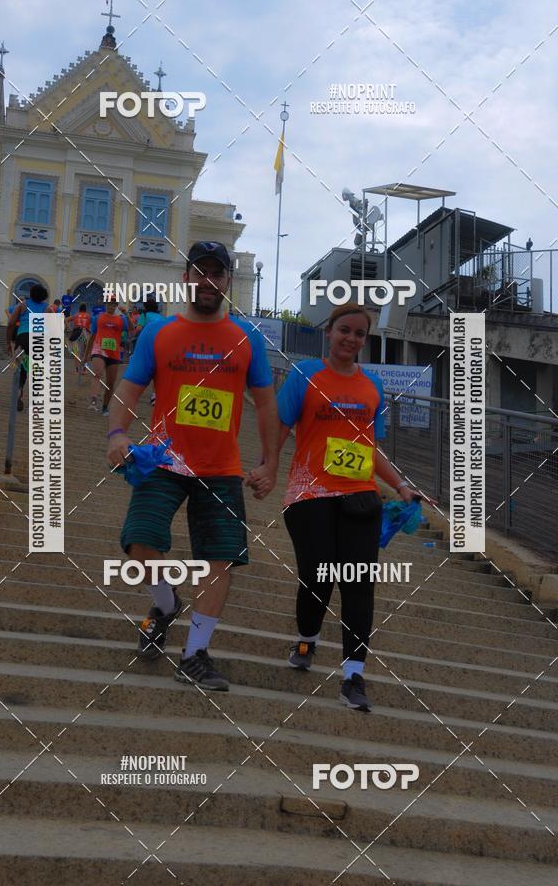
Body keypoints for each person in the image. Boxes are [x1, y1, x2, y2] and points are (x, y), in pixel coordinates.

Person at [107, 241, 278, 691]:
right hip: (164, 460)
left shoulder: (247, 337)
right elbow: (129, 387)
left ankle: (196, 653)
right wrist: (117, 433)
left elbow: (264, 404)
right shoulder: (159, 332)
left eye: (216, 273)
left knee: (219, 558)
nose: (208, 281)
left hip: (221, 468)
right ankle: (165, 604)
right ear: (186, 278)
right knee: (139, 542)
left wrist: (270, 462)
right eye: (199, 272)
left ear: (227, 281)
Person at [274, 303, 421, 711]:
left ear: (364, 341)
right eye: (344, 330)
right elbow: (280, 424)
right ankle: (307, 640)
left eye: (359, 334)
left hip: (360, 497)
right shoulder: (305, 374)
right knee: (317, 577)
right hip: (309, 496)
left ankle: (354, 676)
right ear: (329, 332)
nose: (351, 339)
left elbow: (369, 448)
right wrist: (267, 466)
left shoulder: (372, 387)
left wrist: (400, 486)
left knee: (358, 585)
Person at [6, 283, 49, 411]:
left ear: (30, 294)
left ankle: (19, 395)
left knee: (21, 370)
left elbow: (10, 323)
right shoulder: (48, 308)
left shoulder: (22, 305)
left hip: (23, 338)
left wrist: (8, 342)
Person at [83, 294, 128, 415]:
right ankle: (93, 401)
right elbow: (92, 337)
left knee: (110, 383)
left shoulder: (121, 319)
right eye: (109, 304)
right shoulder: (98, 318)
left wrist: (127, 314)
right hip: (98, 350)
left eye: (113, 304)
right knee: (97, 374)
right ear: (106, 304)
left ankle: (105, 407)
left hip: (114, 353)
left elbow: (132, 328)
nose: (111, 306)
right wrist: (86, 355)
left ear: (116, 305)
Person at [68, 303, 91, 373]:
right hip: (85, 334)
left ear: (79, 309)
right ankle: (84, 369)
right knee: (85, 352)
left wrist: (69, 328)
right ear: (85, 309)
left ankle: (77, 370)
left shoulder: (76, 315)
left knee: (76, 352)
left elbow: (66, 320)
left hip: (76, 333)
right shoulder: (88, 316)